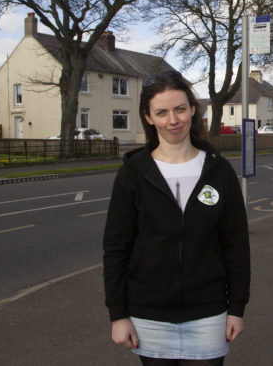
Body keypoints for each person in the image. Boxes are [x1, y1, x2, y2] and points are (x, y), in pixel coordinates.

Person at [103, 71, 250, 366]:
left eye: (180, 109)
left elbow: (236, 247)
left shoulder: (219, 172)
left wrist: (236, 308)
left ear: (193, 110)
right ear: (148, 117)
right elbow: (116, 249)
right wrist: (118, 315)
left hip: (208, 314)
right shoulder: (133, 174)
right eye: (162, 112)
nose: (173, 120)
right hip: (148, 316)